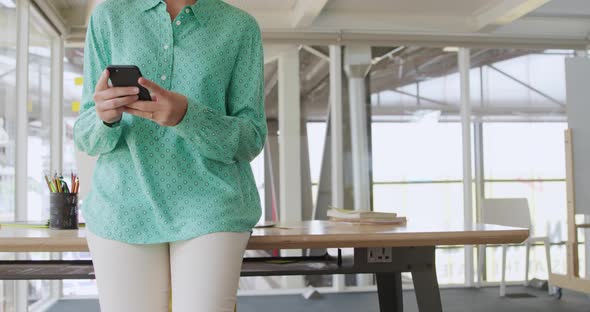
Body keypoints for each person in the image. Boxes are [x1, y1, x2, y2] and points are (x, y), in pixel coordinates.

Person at [73, 0, 266, 310]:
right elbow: (85, 135)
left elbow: (251, 139)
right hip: (123, 209)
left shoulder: (239, 27)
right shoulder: (109, 16)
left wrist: (187, 116)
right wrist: (104, 117)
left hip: (210, 208)